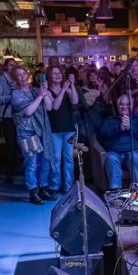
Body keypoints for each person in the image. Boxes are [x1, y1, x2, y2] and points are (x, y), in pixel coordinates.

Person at [11, 67, 54, 205]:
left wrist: (44, 93)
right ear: (15, 79)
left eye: (24, 73)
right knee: (32, 163)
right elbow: (28, 112)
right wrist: (40, 96)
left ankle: (43, 187)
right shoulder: (15, 94)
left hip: (42, 129)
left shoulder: (36, 90)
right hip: (27, 131)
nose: (23, 77)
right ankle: (32, 192)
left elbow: (49, 107)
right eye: (19, 75)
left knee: (46, 160)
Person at [98, 94, 138, 190]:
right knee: (111, 158)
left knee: (134, 157)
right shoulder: (111, 120)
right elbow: (102, 134)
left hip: (135, 151)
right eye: (121, 104)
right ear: (118, 107)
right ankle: (115, 192)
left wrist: (130, 127)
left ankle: (137, 189)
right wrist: (119, 128)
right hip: (115, 152)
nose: (124, 106)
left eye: (127, 104)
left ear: (131, 106)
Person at [46, 65, 78, 195]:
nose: (58, 75)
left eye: (59, 73)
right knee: (56, 159)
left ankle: (68, 186)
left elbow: (75, 101)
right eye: (54, 73)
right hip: (55, 129)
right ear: (49, 76)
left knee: (69, 158)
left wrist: (72, 86)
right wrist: (63, 90)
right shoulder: (47, 91)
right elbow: (55, 106)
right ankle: (55, 186)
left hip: (68, 128)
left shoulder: (67, 89)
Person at [0, 57, 20, 185]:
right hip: (7, 116)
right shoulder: (0, 80)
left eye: (14, 65)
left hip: (19, 116)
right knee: (11, 145)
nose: (13, 67)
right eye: (10, 65)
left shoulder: (18, 79)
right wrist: (11, 96)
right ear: (5, 67)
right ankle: (9, 173)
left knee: (20, 144)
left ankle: (18, 168)